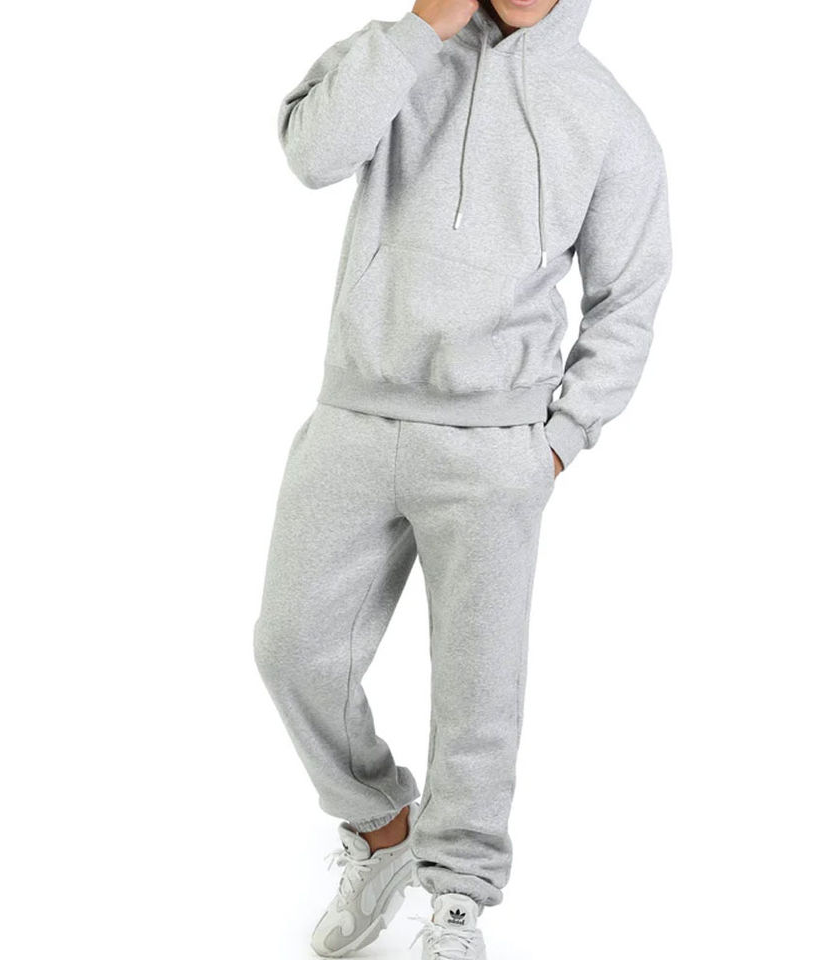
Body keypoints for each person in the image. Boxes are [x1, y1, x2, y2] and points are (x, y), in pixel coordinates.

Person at [253, 0, 671, 956]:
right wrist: (419, 28)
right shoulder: (398, 54)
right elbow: (312, 154)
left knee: (479, 693)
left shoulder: (606, 116)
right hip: (353, 415)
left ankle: (458, 900)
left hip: (493, 446)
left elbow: (630, 297)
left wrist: (560, 438)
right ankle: (380, 827)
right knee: (290, 647)